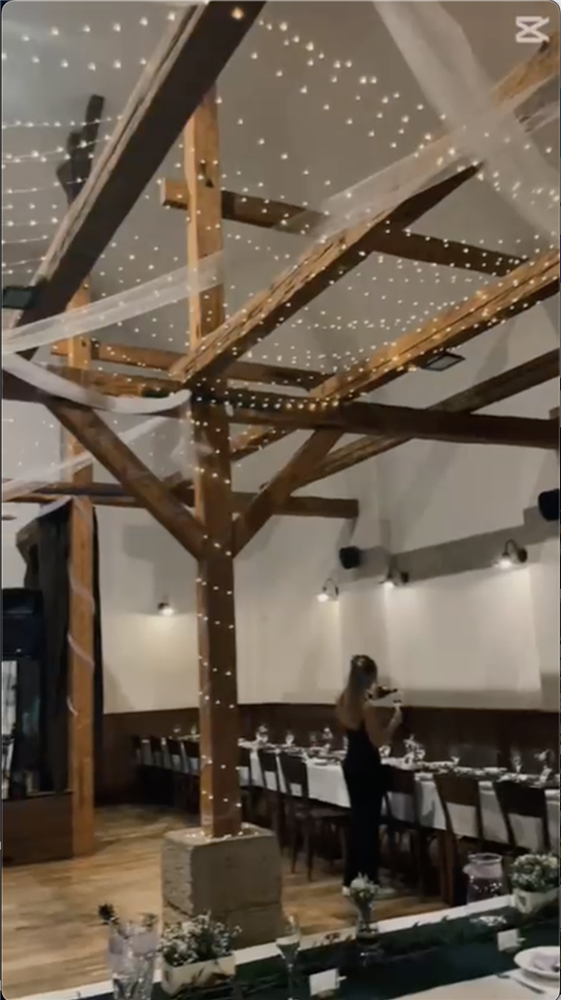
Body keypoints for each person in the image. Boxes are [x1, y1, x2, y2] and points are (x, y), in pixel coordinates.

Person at [336, 654, 402, 892]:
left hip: (351, 764)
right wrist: (395, 721)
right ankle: (370, 882)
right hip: (368, 767)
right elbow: (379, 740)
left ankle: (351, 880)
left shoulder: (343, 700)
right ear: (370, 676)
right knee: (369, 826)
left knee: (357, 824)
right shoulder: (367, 707)